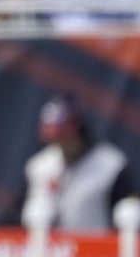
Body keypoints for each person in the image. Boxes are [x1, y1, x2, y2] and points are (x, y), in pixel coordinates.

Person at [22, 93, 137, 232]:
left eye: (63, 134)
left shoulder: (111, 166)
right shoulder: (39, 166)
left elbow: (129, 218)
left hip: (97, 250)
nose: (61, 143)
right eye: (55, 139)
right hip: (48, 250)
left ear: (77, 127)